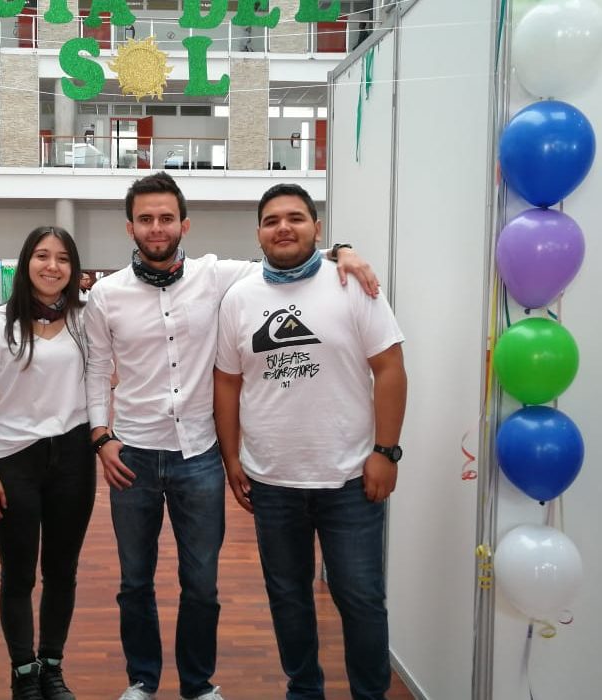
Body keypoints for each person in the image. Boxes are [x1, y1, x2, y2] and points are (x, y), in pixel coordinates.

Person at [82, 172, 380, 700]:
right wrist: (101, 437)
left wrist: (343, 250)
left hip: (199, 455)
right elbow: (96, 369)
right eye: (146, 219)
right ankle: (142, 680)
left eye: (166, 218)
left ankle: (197, 683)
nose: (157, 228)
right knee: (134, 581)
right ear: (130, 228)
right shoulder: (106, 294)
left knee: (202, 583)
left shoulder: (218, 276)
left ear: (185, 225)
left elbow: (288, 254)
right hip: (132, 455)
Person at [212, 184, 407, 700]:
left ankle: (370, 694)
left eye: (295, 218)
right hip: (272, 482)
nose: (283, 227)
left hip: (350, 479)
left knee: (361, 599)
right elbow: (227, 382)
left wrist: (386, 452)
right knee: (288, 597)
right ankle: (304, 690)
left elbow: (390, 367)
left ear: (316, 229)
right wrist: (231, 457)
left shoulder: (352, 285)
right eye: (271, 220)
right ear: (258, 233)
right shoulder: (239, 299)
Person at [0, 226, 95, 700]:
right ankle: (24, 671)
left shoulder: (86, 317)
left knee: (62, 571)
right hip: (13, 459)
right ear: (26, 263)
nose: (52, 266)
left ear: (73, 269)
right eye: (42, 256)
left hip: (74, 457)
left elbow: (106, 377)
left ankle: (52, 666)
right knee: (19, 573)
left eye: (63, 258)